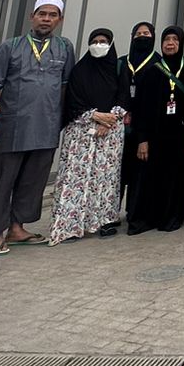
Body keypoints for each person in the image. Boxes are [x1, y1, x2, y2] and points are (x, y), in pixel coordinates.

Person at [0, 0, 76, 254]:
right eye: (42, 14)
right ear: (32, 16)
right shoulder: (10, 47)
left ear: (60, 20)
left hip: (46, 126)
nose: (46, 19)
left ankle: (17, 228)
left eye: (52, 15)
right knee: (2, 181)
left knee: (33, 181)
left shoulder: (64, 48)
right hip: (11, 126)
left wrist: (60, 119)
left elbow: (66, 86)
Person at [48, 28, 130, 244]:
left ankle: (103, 221)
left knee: (105, 179)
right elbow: (72, 100)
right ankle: (69, 226)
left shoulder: (119, 68)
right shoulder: (79, 70)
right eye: (94, 41)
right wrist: (95, 116)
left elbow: (124, 95)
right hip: (81, 132)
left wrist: (110, 118)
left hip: (110, 133)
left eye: (103, 41)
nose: (98, 45)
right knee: (75, 179)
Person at [127, 25, 184, 234]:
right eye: (167, 40)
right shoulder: (152, 70)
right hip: (154, 134)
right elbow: (141, 107)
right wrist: (142, 139)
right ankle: (148, 217)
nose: (170, 44)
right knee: (151, 176)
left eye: (175, 40)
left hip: (180, 133)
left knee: (176, 176)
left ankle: (171, 216)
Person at [117, 22, 157, 217]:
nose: (142, 36)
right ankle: (110, 214)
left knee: (140, 171)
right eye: (138, 33)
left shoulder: (158, 63)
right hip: (119, 125)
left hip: (146, 126)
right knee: (117, 171)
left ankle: (134, 212)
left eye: (146, 33)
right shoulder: (121, 62)